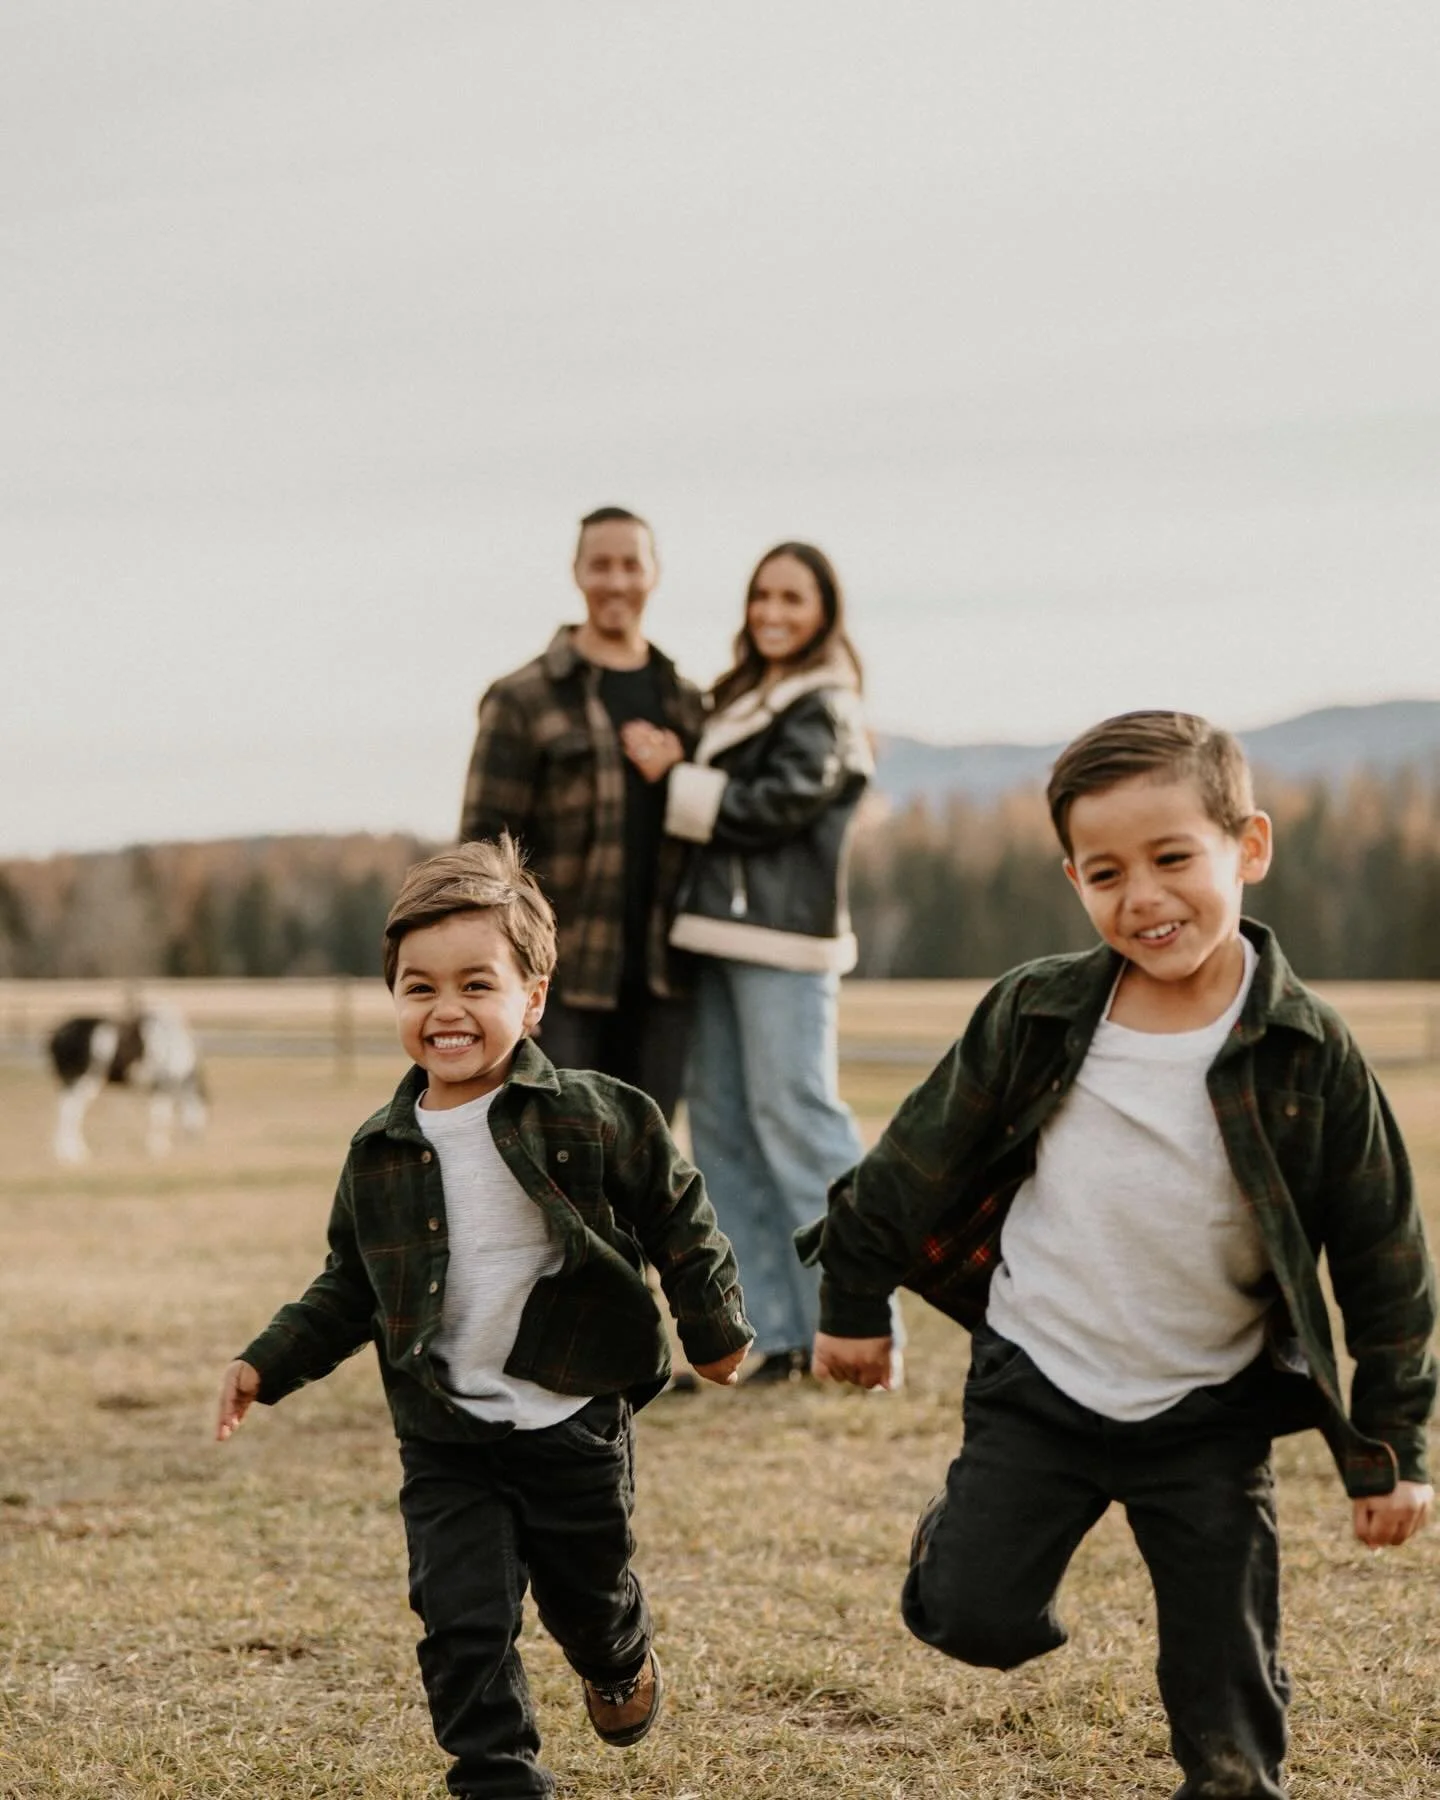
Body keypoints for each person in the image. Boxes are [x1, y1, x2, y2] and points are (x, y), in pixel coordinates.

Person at [798, 710, 1436, 1798]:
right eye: (1106, 873)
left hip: (1209, 1407)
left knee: (1225, 1679)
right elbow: (911, 1162)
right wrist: (852, 1304)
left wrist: (1393, 1449)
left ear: (1249, 846)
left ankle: (1233, 1782)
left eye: (1173, 858)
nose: (1142, 896)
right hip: (1039, 1379)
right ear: (1074, 880)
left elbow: (1385, 1257)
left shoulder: (1308, 1050)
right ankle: (964, 1553)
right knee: (971, 1614)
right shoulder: (1038, 1013)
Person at [215, 838, 752, 1799]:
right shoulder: (379, 1151)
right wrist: (267, 1362)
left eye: (476, 984)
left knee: (586, 1600)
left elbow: (681, 1215)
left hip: (571, 1417)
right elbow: (350, 1284)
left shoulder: (594, 1114)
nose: (446, 1009)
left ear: (532, 999)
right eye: (419, 988)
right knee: (462, 1620)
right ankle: (495, 1777)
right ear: (393, 998)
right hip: (446, 1432)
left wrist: (712, 1331)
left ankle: (617, 1657)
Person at [635, 541, 880, 1385]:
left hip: (783, 943)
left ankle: (854, 1329)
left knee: (799, 1124)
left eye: (792, 598)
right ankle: (774, 1334)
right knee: (723, 1135)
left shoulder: (826, 706)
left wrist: (677, 778)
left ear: (824, 612)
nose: (772, 612)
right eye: (762, 596)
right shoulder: (742, 697)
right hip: (714, 937)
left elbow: (777, 806)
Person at [458, 507, 702, 1121]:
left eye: (630, 565)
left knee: (645, 1164)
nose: (616, 581)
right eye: (601, 565)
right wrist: (501, 982)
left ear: (654, 573)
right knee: (558, 1156)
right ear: (576, 572)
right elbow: (480, 858)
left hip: (663, 988)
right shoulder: (522, 698)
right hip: (559, 989)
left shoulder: (689, 704)